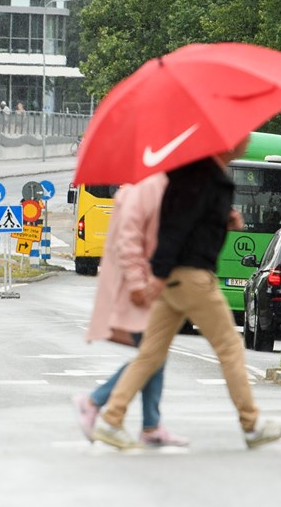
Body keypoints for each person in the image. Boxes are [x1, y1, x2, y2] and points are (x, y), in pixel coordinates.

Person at [91, 136, 281, 450]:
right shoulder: (208, 179)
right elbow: (175, 229)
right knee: (229, 346)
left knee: (150, 353)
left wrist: (224, 220)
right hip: (192, 278)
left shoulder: (195, 176)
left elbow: (189, 224)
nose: (244, 142)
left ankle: (111, 418)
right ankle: (252, 424)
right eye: (241, 137)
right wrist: (157, 274)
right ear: (225, 145)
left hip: (175, 277)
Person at [72, 172, 189, 447]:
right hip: (138, 290)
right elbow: (129, 245)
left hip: (148, 287)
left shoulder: (152, 190)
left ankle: (150, 425)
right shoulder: (139, 193)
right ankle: (94, 402)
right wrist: (139, 284)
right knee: (151, 355)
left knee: (153, 356)